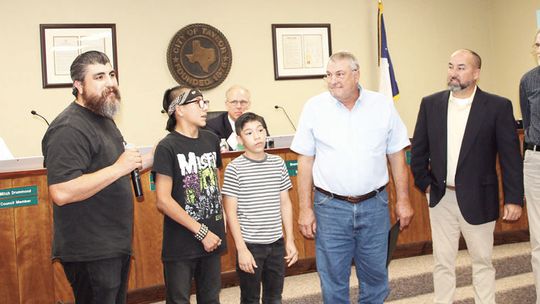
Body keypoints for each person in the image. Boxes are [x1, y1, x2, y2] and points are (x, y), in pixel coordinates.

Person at [291, 51, 414, 303]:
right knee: (333, 278)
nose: (332, 80)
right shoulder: (314, 107)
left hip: (375, 205)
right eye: (328, 74)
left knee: (376, 276)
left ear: (356, 75)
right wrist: (304, 208)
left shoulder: (382, 105)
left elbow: (397, 155)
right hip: (330, 208)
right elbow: (304, 161)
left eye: (339, 74)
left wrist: (403, 200)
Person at [411, 49, 523, 304]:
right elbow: (418, 152)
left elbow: (510, 158)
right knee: (442, 263)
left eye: (461, 67)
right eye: (451, 66)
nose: (453, 72)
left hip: (480, 197)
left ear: (476, 73)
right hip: (441, 199)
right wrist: (427, 185)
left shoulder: (497, 106)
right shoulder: (431, 104)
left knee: (483, 262)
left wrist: (514, 199)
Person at [41, 50, 153, 303]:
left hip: (114, 243)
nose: (110, 83)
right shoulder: (69, 128)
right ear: (78, 85)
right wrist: (119, 168)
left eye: (111, 75)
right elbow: (61, 191)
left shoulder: (103, 119)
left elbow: (115, 169)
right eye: (99, 77)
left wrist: (155, 155)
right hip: (89, 249)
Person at [153, 85, 226, 304]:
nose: (205, 108)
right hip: (182, 242)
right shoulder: (167, 147)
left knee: (211, 298)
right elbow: (163, 200)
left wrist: (220, 220)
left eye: (205, 102)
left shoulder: (211, 140)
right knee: (178, 300)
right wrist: (201, 232)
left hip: (213, 237)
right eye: (198, 103)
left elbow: (214, 184)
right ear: (179, 110)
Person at [222, 112, 298, 303]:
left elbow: (285, 203)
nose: (257, 136)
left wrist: (290, 240)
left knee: (274, 297)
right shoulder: (234, 168)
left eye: (260, 130)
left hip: (276, 243)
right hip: (250, 245)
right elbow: (231, 213)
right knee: (250, 298)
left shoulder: (278, 163)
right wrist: (241, 249)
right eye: (249, 133)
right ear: (240, 139)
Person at [520, 29, 540, 301]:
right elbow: (527, 124)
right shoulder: (529, 80)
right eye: (536, 42)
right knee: (538, 238)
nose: (537, 47)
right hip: (536, 161)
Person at [206, 85, 268, 150]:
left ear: (249, 104)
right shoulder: (213, 125)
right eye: (234, 102)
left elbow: (267, 146)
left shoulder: (258, 121)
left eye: (243, 102)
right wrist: (241, 124)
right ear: (227, 105)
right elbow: (222, 151)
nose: (239, 106)